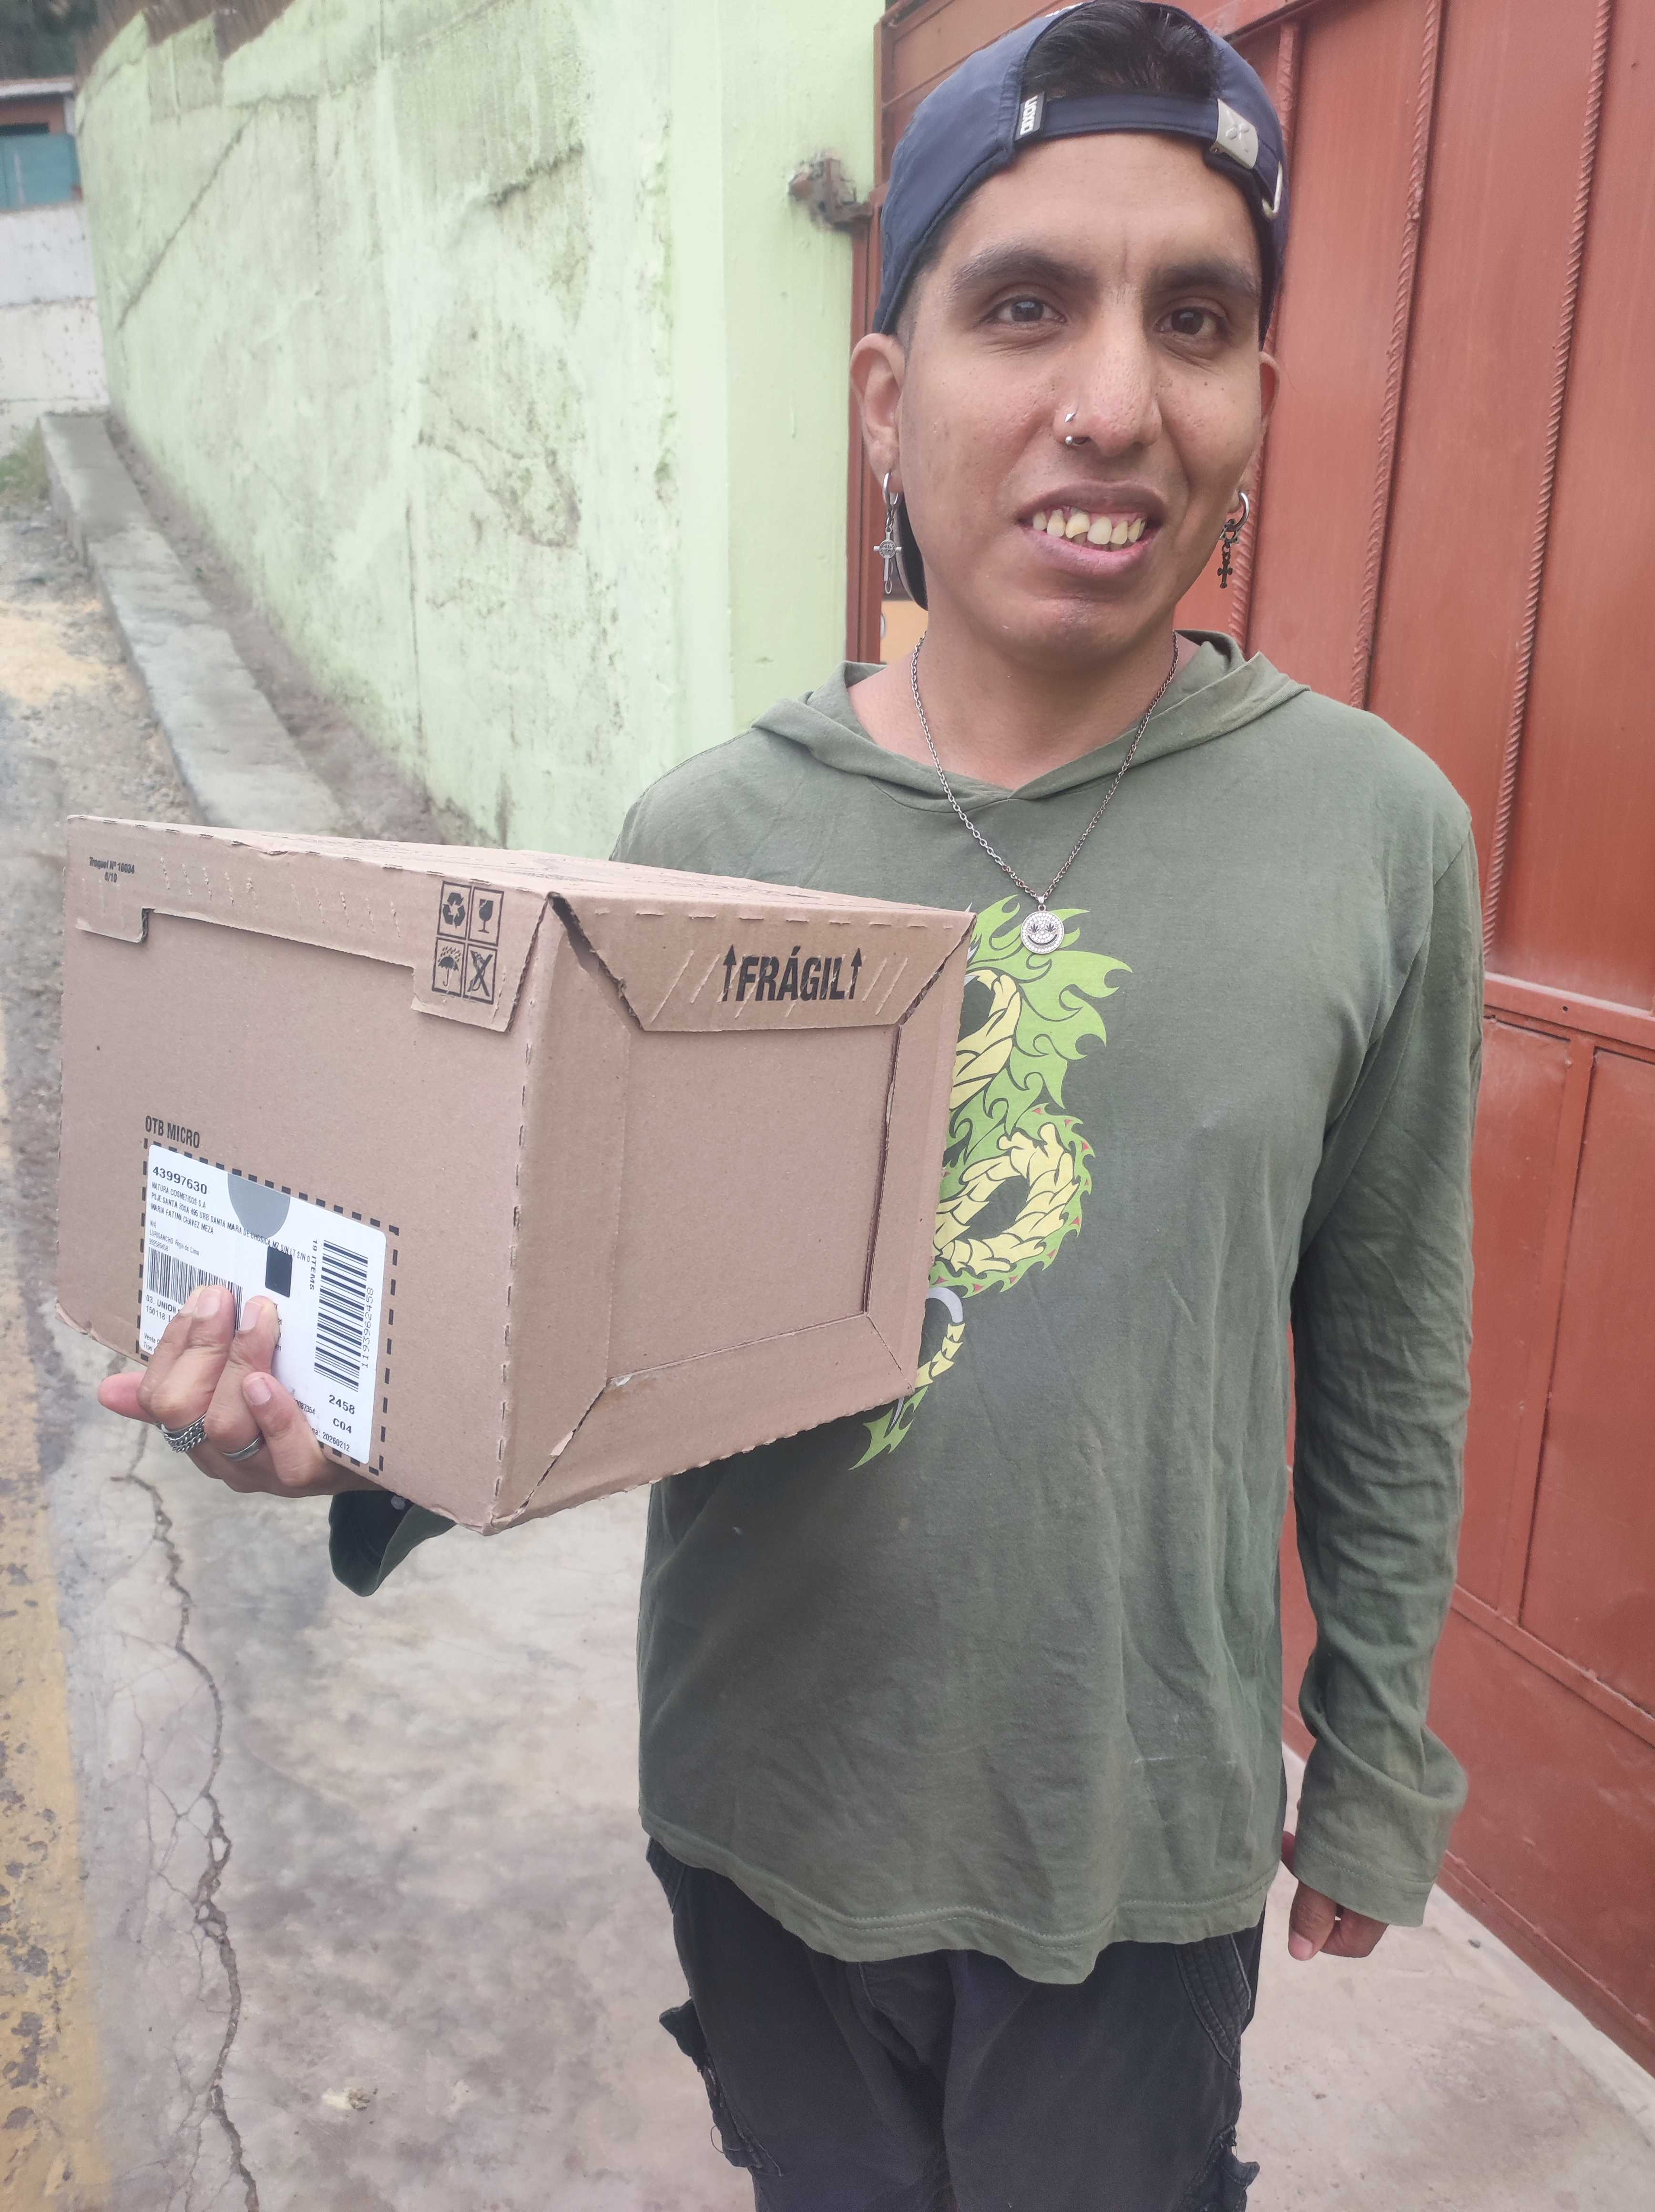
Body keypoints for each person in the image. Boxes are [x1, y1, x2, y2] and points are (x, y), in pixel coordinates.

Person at [98, 6, 1481, 2205]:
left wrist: (1383, 1753)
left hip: (1130, 1837)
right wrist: (336, 1429)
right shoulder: (709, 838)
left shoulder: (1373, 832)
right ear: (884, 401)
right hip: (764, 1808)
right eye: (1022, 305)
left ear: (1254, 400)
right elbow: (565, 1298)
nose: (1112, 399)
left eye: (1194, 320)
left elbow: (1393, 1337)